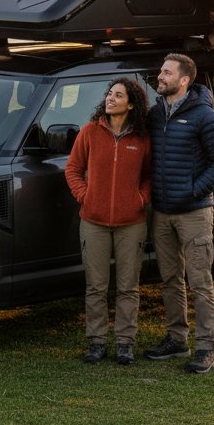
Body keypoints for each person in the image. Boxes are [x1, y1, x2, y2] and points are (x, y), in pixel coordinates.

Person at [143, 54, 214, 374]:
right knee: (170, 279)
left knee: (200, 282)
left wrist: (193, 190)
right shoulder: (156, 113)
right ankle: (176, 339)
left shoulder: (204, 116)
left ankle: (206, 347)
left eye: (167, 72)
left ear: (184, 80)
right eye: (161, 70)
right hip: (162, 212)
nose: (160, 76)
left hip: (194, 212)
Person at [64, 76, 152, 365]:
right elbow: (73, 169)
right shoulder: (90, 131)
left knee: (128, 286)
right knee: (96, 286)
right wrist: (85, 196)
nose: (110, 99)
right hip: (93, 221)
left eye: (118, 95)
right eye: (110, 94)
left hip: (131, 223)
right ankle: (96, 342)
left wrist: (140, 199)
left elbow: (149, 176)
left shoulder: (141, 138)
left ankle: (125, 342)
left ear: (131, 104)